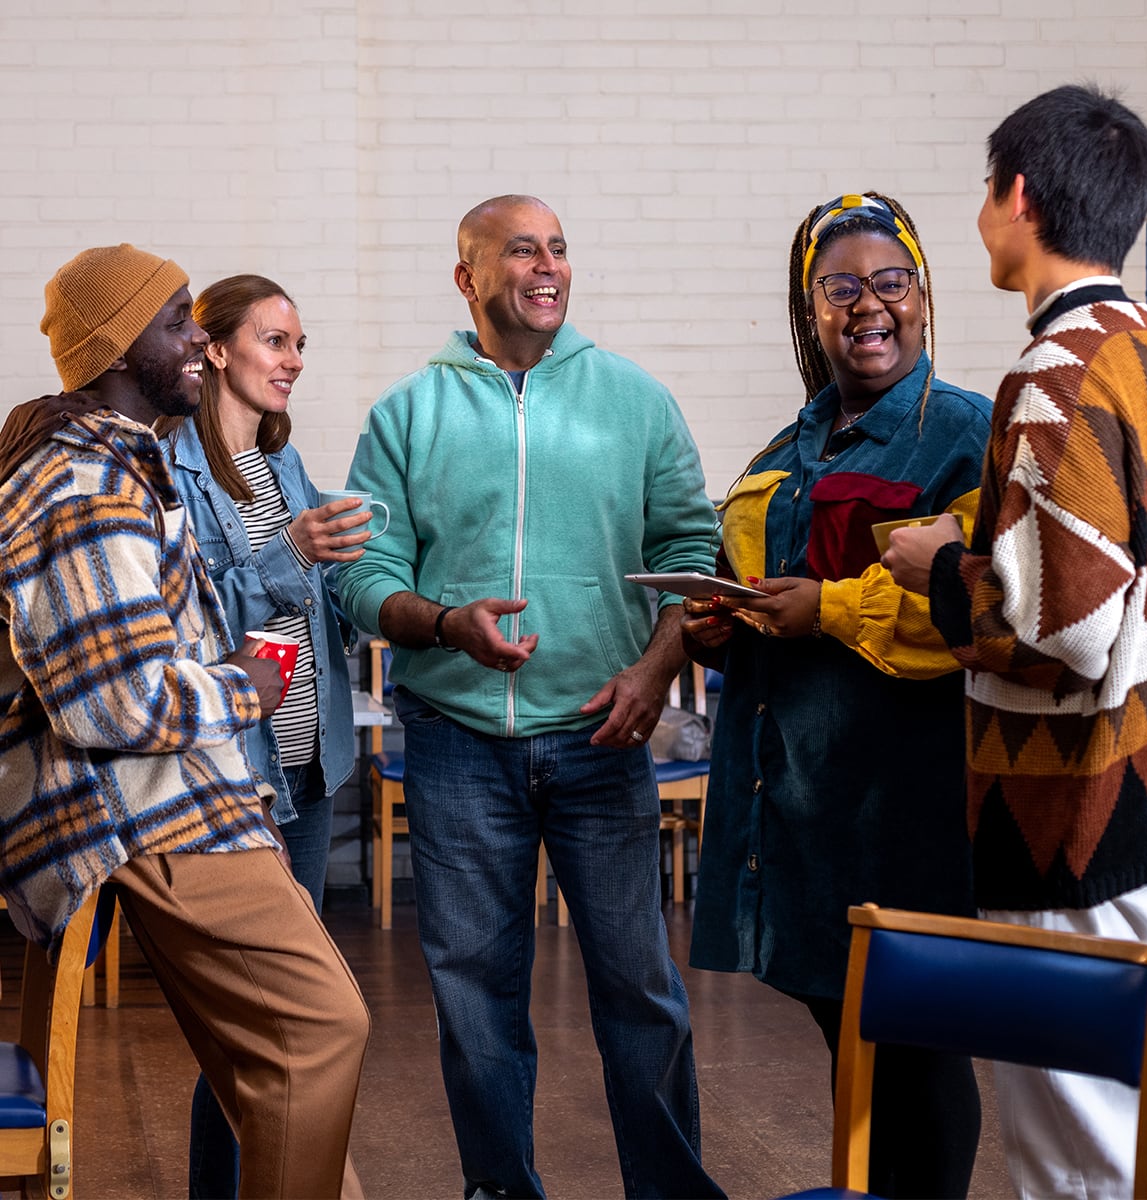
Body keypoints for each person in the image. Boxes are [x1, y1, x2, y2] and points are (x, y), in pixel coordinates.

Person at [335, 194, 725, 1200]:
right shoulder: (407, 414)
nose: (548, 265)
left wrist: (653, 672)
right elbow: (366, 577)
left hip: (603, 733)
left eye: (558, 248)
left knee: (641, 991)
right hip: (459, 743)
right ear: (468, 277)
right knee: (476, 999)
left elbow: (692, 556)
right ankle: (500, 1190)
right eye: (522, 251)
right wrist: (443, 622)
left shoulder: (634, 401)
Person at [882, 84, 1147, 1198]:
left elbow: (1061, 626)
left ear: (1018, 196)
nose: (979, 211)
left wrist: (939, 569)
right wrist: (990, 543)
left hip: (1073, 805)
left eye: (984, 187)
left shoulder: (1056, 371)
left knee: (1078, 1151)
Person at [0, 244, 370, 1199]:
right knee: (324, 1029)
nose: (197, 339)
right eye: (176, 321)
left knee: (282, 1062)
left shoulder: (120, 466)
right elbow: (117, 701)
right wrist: (244, 684)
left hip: (186, 795)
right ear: (120, 349)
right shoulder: (85, 484)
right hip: (150, 808)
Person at [682, 193, 992, 1198]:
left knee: (920, 1051)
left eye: (890, 282)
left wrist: (830, 607)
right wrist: (723, 624)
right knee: (850, 1041)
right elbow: (767, 607)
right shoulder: (783, 454)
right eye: (840, 288)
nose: (869, 306)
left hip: (903, 808)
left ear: (925, 294)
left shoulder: (968, 438)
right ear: (809, 310)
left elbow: (975, 613)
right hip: (798, 808)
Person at [159, 274, 372, 1199]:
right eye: (275, 342)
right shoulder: (169, 465)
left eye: (298, 345)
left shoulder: (278, 466)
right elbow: (192, 619)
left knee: (280, 1028)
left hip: (306, 758)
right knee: (257, 1024)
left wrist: (364, 585)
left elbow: (312, 610)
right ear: (214, 348)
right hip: (235, 775)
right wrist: (294, 555)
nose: (293, 362)